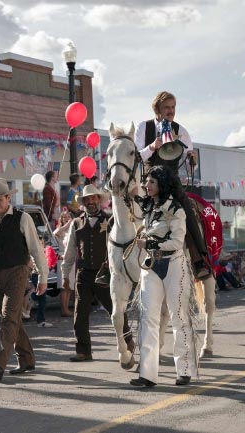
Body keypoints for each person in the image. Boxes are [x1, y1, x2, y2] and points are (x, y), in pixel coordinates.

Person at [0, 178, 49, 380]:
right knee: (10, 318)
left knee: (9, 316)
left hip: (18, 271)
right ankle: (27, 358)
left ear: (7, 198)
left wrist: (43, 276)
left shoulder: (23, 219)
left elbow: (36, 250)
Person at [130, 166, 198, 387]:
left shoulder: (176, 209)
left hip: (174, 265)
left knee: (178, 317)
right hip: (150, 266)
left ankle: (184, 370)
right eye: (146, 181)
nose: (146, 185)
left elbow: (177, 242)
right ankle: (147, 375)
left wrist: (149, 243)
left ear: (162, 184)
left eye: (151, 182)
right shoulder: (148, 207)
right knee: (148, 318)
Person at [134, 91, 210, 279]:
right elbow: (136, 157)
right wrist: (152, 147)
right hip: (149, 180)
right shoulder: (144, 127)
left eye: (173, 107)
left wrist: (193, 159)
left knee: (187, 212)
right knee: (122, 214)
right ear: (157, 109)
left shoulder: (181, 130)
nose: (171, 111)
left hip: (172, 181)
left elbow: (188, 158)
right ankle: (110, 264)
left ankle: (199, 258)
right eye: (167, 107)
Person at [61, 184, 134, 362]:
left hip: (106, 273)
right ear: (83, 202)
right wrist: (65, 275)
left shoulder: (110, 220)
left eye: (93, 198)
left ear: (99, 200)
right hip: (84, 273)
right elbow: (70, 251)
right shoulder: (76, 222)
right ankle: (83, 350)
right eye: (87, 199)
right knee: (80, 313)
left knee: (115, 309)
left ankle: (128, 341)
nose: (90, 202)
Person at [54, 210, 74, 317]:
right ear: (61, 219)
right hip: (62, 258)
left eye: (68, 216)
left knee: (69, 286)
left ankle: (66, 308)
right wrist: (67, 225)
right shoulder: (60, 230)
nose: (66, 218)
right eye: (64, 217)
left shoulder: (72, 230)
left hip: (71, 259)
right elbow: (55, 233)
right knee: (63, 285)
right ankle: (64, 309)